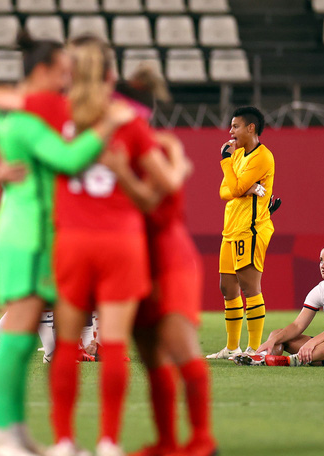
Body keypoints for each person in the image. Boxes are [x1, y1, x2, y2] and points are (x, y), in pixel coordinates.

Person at [0, 32, 134, 456]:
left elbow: (2, 102)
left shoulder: (23, 114)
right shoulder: (27, 123)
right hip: (26, 235)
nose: (67, 80)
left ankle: (14, 433)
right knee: (15, 338)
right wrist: (109, 124)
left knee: (25, 337)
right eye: (62, 72)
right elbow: (68, 159)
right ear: (44, 70)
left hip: (33, 233)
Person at [99, 66, 216, 456]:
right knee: (150, 356)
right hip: (135, 260)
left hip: (168, 258)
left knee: (181, 346)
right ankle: (167, 441)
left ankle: (202, 439)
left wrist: (122, 174)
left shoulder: (157, 148)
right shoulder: (116, 147)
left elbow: (158, 208)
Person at [234, 242, 324, 367]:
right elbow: (298, 325)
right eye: (321, 260)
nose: (322, 265)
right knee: (277, 334)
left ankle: (291, 360)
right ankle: (263, 358)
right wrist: (271, 342)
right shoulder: (321, 288)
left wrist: (312, 343)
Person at [207, 106, 276, 360]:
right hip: (231, 228)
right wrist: (243, 188)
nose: (230, 131)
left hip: (251, 228)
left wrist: (226, 162)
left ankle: (254, 348)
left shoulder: (262, 157)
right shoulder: (238, 156)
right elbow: (225, 191)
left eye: (235, 126)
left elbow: (234, 186)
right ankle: (232, 347)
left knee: (250, 287)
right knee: (227, 288)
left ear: (251, 128)